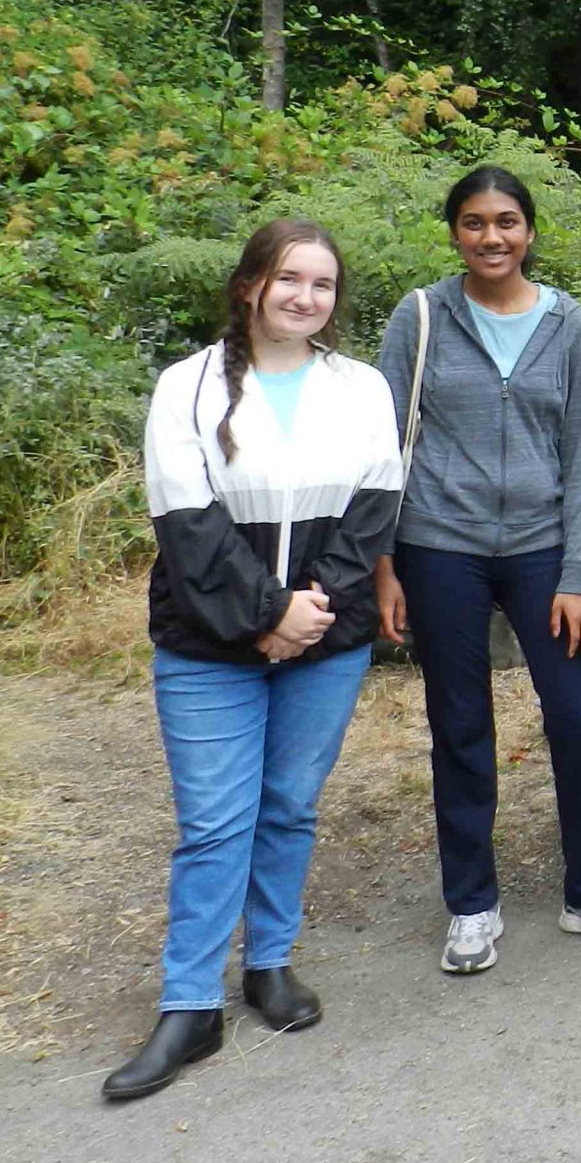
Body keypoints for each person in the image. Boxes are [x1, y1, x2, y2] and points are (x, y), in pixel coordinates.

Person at [109, 220, 402, 1101]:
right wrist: (265, 616)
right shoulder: (186, 387)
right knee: (213, 821)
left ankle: (268, 962)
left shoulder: (360, 388)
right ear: (249, 286)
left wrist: (307, 615)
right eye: (289, 279)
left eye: (322, 284)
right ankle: (189, 1004)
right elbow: (186, 522)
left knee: (288, 807)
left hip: (326, 636)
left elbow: (375, 507)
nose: (305, 297)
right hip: (208, 642)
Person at [375, 167, 581, 977]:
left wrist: (577, 573)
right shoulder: (422, 316)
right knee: (460, 726)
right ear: (454, 231)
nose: (491, 236)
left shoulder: (567, 323)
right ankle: (470, 903)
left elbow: (580, 454)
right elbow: (386, 444)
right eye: (473, 222)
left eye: (506, 221)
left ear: (530, 231)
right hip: (440, 544)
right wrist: (385, 563)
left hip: (542, 548)